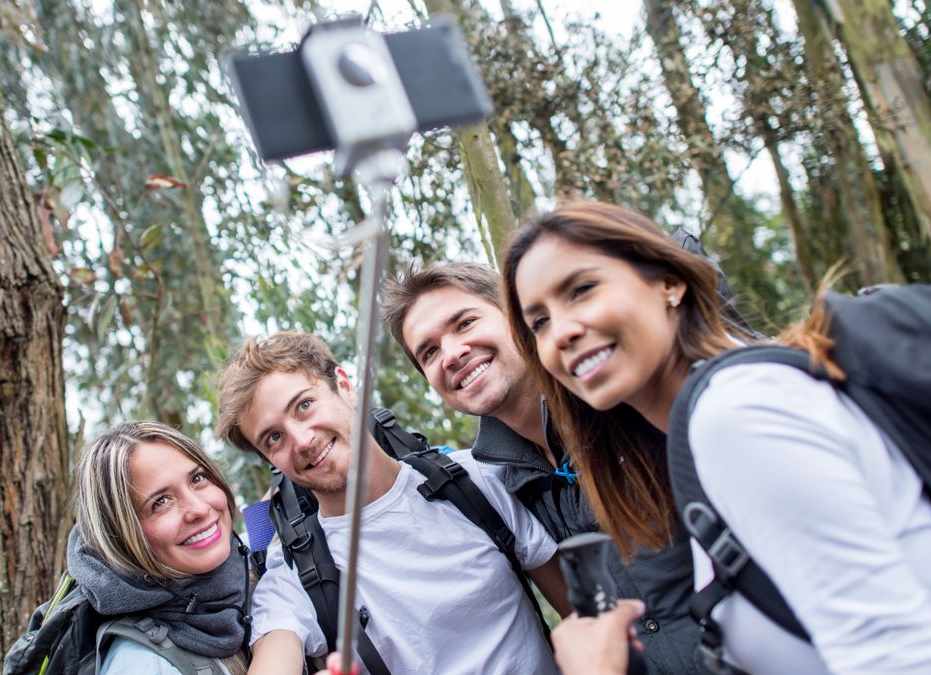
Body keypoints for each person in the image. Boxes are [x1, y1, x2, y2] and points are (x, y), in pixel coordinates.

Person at [502, 199, 931, 673]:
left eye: (582, 290)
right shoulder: (702, 427)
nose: (560, 332)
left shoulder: (734, 416)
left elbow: (897, 654)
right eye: (539, 321)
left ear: (669, 283)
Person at [381, 263, 705, 673]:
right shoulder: (498, 489)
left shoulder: (628, 400)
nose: (452, 354)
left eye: (465, 323)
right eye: (429, 351)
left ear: (516, 317)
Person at [213, 331, 569, 673]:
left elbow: (581, 615)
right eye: (274, 438)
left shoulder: (474, 481)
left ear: (345, 385)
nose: (302, 440)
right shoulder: (292, 570)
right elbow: (276, 650)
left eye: (304, 405)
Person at [70, 421, 259, 675]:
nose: (200, 509)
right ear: (122, 540)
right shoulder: (144, 666)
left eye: (198, 478)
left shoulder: (247, 563)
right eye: (160, 502)